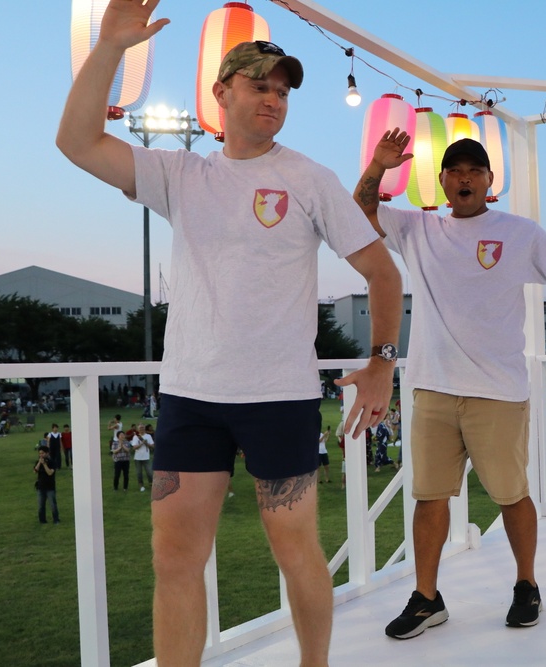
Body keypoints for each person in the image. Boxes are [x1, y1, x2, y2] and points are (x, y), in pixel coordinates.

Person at [56, 3, 403, 664]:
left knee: (295, 549)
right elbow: (76, 143)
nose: (273, 98)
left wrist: (382, 360)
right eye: (259, 85)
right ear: (222, 92)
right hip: (192, 396)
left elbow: (382, 273)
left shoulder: (308, 178)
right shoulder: (184, 174)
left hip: (281, 397)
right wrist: (109, 49)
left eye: (282, 90)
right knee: (175, 557)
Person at [355, 132, 546, 639]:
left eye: (474, 171)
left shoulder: (520, 232)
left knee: (510, 494)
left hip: (498, 390)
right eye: (454, 171)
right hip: (432, 387)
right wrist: (378, 165)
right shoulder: (418, 229)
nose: (464, 178)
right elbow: (361, 211)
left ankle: (527, 585)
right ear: (440, 181)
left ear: (489, 182)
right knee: (429, 498)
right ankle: (426, 598)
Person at [34, 445, 59, 524]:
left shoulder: (52, 462)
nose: (41, 455)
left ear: (47, 453)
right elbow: (35, 471)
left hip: (50, 487)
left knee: (53, 505)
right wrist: (39, 463)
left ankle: (56, 519)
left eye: (43, 453)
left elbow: (50, 473)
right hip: (41, 487)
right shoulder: (38, 462)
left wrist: (44, 464)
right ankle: (42, 520)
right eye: (40, 453)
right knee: (41, 505)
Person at [132, 423, 154, 491]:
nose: (142, 429)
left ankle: (151, 484)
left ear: (145, 429)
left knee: (149, 472)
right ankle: (141, 485)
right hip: (137, 458)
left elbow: (152, 446)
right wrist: (142, 443)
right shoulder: (135, 437)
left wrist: (146, 443)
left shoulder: (148, 436)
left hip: (146, 457)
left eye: (143, 428)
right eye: (140, 428)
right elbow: (134, 447)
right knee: (139, 473)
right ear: (138, 429)